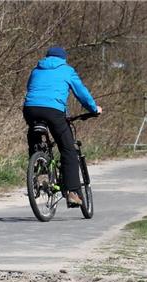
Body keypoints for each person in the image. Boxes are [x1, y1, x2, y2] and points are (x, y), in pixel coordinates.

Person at [23, 46, 101, 206]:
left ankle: (40, 173)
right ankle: (72, 191)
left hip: (30, 109)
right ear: (63, 59)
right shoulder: (67, 70)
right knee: (68, 149)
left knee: (35, 138)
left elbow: (31, 88)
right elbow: (82, 93)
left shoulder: (36, 70)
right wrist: (94, 109)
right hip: (53, 111)